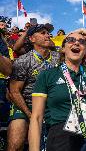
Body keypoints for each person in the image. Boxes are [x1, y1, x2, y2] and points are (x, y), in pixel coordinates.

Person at [29, 28, 86, 151]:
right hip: (61, 134)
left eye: (82, 41)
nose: (76, 43)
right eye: (70, 40)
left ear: (85, 51)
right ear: (63, 49)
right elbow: (36, 118)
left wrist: (82, 30)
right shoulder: (47, 75)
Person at [7, 23, 59, 151]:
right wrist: (30, 115)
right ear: (32, 39)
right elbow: (14, 91)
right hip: (25, 105)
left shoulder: (59, 58)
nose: (47, 35)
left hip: (51, 107)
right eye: (42, 33)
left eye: (48, 33)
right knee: (15, 143)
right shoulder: (23, 61)